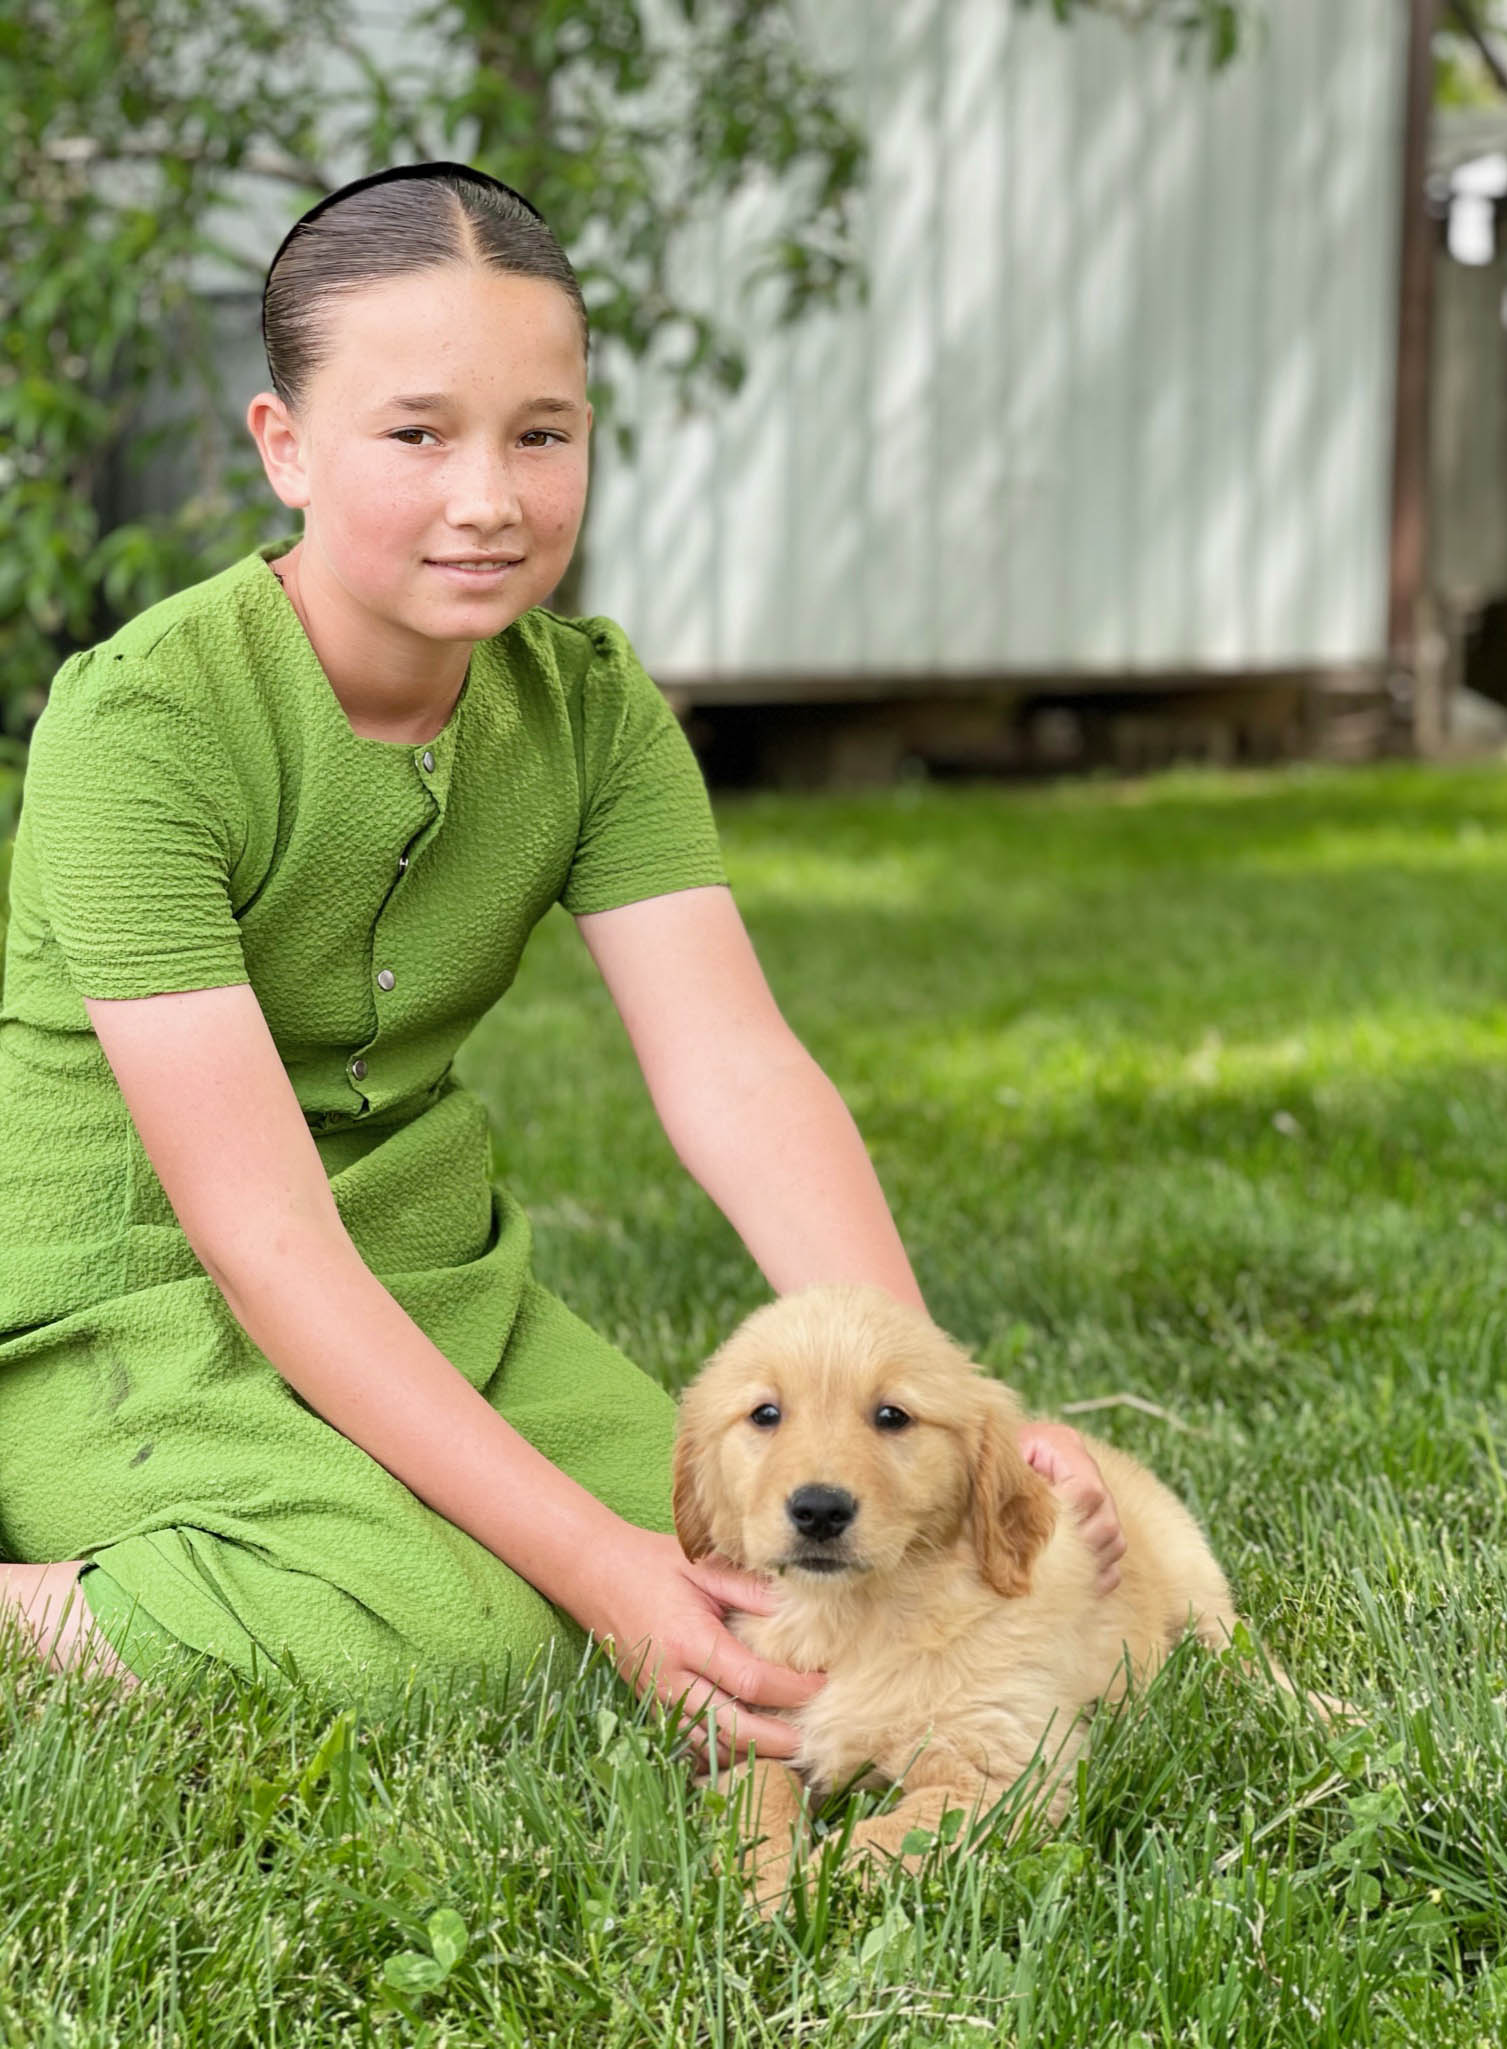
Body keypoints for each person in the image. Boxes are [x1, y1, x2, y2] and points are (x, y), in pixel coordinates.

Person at [0, 162, 1124, 1760]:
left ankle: (400, 1527)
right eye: (418, 434)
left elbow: (736, 1069)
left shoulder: (589, 707)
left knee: (741, 1568)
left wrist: (916, 1406)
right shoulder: (144, 724)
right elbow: (261, 1234)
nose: (492, 496)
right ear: (285, 449)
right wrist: (590, 1566)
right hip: (135, 1303)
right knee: (457, 1629)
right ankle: (37, 1604)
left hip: (434, 1275)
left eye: (543, 432)